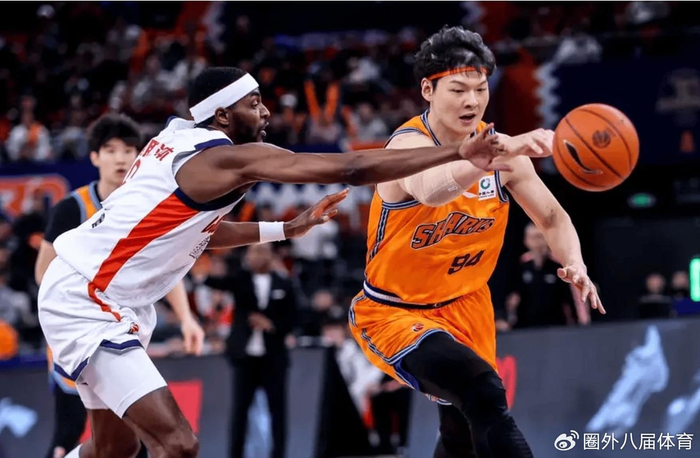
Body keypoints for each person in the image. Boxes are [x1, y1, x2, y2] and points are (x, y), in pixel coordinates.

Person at [38, 66, 506, 458]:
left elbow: (200, 231)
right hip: (88, 297)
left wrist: (286, 229)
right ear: (223, 115)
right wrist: (459, 150)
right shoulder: (220, 161)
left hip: (107, 294)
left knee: (114, 450)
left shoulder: (177, 140)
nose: (266, 112)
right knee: (178, 444)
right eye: (255, 103)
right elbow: (350, 168)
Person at [348, 27, 605, 458]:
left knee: (462, 430)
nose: (472, 101)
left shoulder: (505, 153)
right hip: (395, 310)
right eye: (458, 90)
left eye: (481, 89)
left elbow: (551, 217)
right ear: (428, 90)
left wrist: (575, 262)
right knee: (481, 388)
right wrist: (494, 155)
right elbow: (433, 190)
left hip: (468, 305)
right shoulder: (407, 144)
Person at [34, 113, 205, 458]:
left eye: (128, 150)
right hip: (81, 328)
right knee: (69, 430)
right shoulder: (73, 207)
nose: (121, 158)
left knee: (124, 443)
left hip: (124, 328)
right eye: (111, 150)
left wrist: (187, 318)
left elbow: (162, 270)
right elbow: (43, 273)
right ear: (95, 157)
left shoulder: (147, 204)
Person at [202, 243, 297, 458]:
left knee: (278, 411)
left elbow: (294, 318)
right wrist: (200, 266)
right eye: (253, 252)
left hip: (273, 358)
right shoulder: (240, 279)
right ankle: (234, 454)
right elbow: (214, 281)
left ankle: (279, 454)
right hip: (244, 358)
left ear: (271, 256)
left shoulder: (284, 282)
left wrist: (271, 325)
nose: (257, 256)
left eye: (262, 252)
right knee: (239, 411)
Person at [505, 223, 581, 329]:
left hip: (556, 326)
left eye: (540, 237)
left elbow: (571, 299)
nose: (537, 242)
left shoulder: (560, 265)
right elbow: (512, 297)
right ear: (526, 241)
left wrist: (578, 324)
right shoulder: (520, 265)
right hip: (526, 327)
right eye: (533, 238)